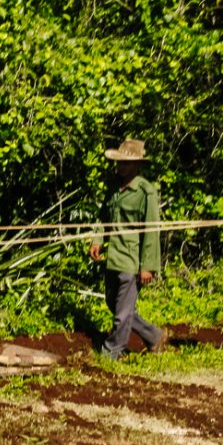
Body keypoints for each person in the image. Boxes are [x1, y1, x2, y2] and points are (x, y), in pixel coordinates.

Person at [89, 138, 168, 360]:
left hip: (131, 260)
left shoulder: (145, 192)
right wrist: (97, 240)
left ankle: (111, 352)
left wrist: (149, 267)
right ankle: (153, 335)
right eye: (119, 162)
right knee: (113, 304)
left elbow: (152, 231)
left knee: (122, 313)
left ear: (136, 165)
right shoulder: (113, 188)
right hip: (113, 256)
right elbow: (104, 217)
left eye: (125, 163)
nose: (120, 167)